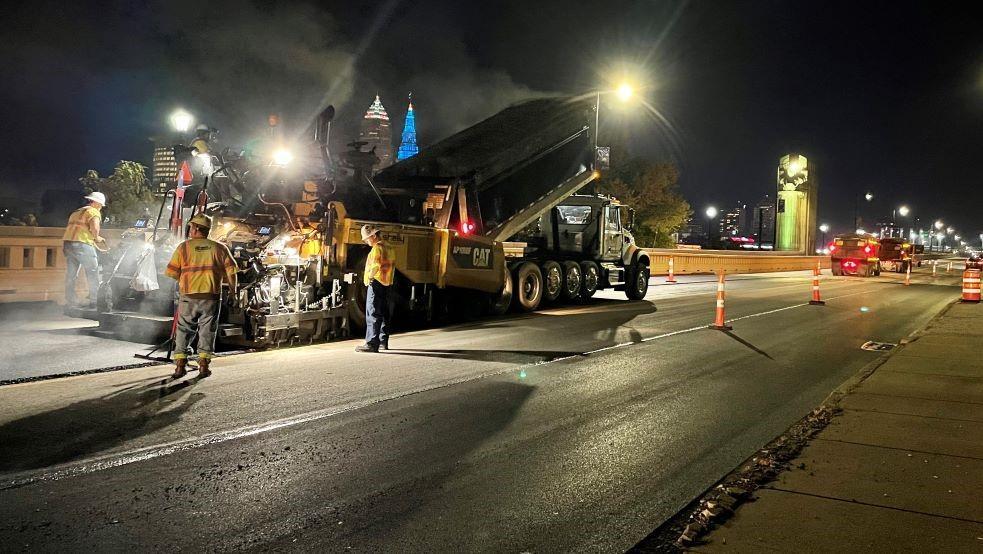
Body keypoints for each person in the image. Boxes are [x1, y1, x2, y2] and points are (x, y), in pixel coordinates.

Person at [165, 214, 238, 379]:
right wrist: (234, 292)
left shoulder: (183, 248)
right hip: (211, 296)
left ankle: (180, 367)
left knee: (184, 328)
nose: (190, 230)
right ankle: (203, 367)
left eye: (191, 227)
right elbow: (232, 272)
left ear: (197, 228)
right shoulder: (219, 248)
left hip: (188, 295)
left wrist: (185, 282)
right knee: (207, 330)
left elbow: (172, 272)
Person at [62, 192, 107, 308]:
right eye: (101, 204)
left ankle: (71, 301)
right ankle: (94, 301)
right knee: (92, 273)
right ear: (96, 202)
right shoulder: (93, 212)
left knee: (71, 275)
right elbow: (94, 229)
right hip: (82, 245)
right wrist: (97, 238)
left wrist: (96, 245)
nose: (101, 207)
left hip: (68, 244)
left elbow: (80, 232)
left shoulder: (76, 212)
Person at [355, 225, 394, 353]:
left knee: (373, 313)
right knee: (383, 313)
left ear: (374, 236)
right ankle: (383, 341)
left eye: (367, 238)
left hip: (376, 282)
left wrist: (369, 278)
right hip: (387, 283)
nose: (366, 241)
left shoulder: (377, 248)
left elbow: (375, 265)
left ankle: (371, 343)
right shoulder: (389, 247)